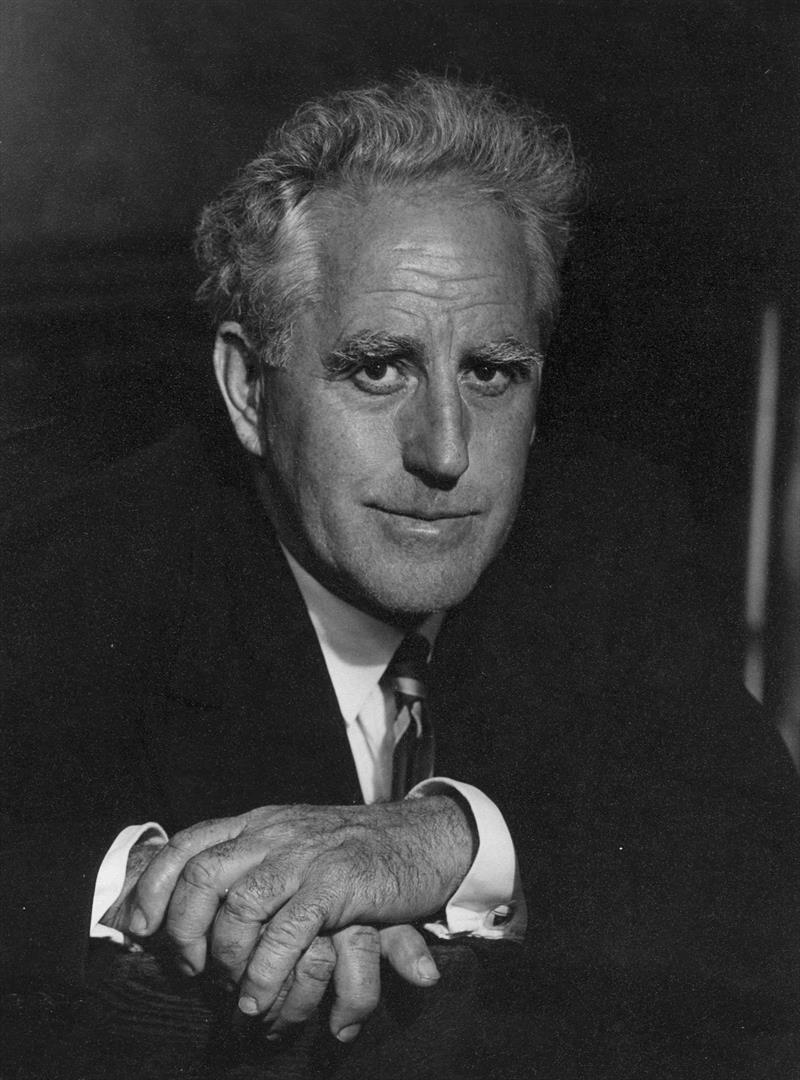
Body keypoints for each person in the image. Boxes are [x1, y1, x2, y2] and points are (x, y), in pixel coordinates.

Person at [2, 74, 799, 1079]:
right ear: (248, 390)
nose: (447, 452)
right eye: (378, 368)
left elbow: (759, 866)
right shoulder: (61, 575)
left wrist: (440, 843)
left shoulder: (606, 530)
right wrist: (187, 896)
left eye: (491, 372)